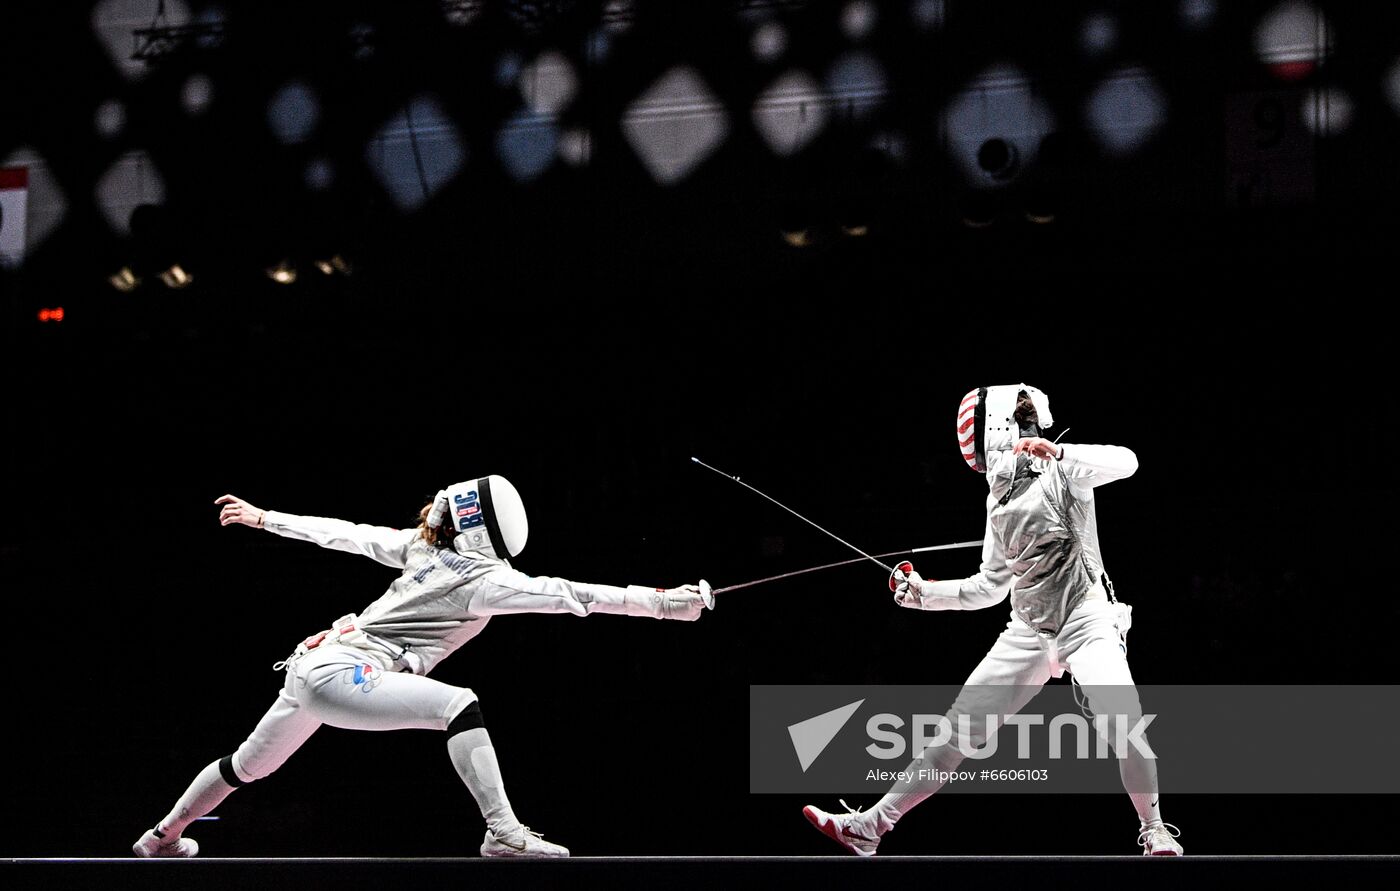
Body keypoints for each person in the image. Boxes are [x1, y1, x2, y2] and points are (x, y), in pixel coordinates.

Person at [132, 475, 712, 858]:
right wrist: (665, 605)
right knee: (458, 704)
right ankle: (503, 833)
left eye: (445, 506)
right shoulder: (439, 555)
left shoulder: (467, 570)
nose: (433, 509)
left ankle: (164, 837)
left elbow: (568, 592)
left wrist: (663, 603)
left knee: (246, 767)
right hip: (338, 671)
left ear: (465, 519)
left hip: (319, 669)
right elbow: (350, 536)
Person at [802, 385, 1183, 856]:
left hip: (1086, 621)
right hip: (1027, 629)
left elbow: (1129, 461)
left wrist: (1059, 450)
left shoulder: (1066, 470)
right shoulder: (997, 500)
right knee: (957, 731)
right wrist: (923, 594)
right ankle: (870, 828)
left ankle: (1155, 829)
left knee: (1123, 720)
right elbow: (988, 586)